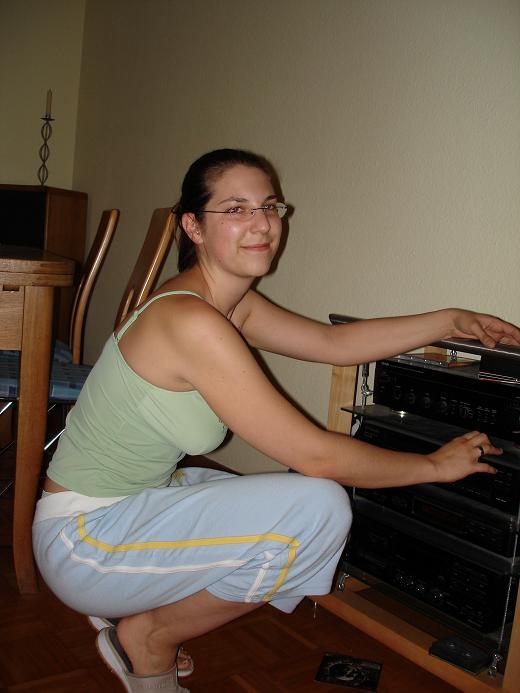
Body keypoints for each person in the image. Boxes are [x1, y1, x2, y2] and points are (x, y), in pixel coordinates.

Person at [32, 148, 520, 693]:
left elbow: (333, 344)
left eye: (268, 206)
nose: (262, 224)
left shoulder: (222, 304)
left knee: (271, 498)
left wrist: (451, 320)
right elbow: (315, 456)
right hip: (85, 543)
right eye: (236, 209)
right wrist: (433, 466)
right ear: (193, 226)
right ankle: (149, 636)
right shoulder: (189, 321)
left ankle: (142, 616)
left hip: (129, 505)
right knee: (316, 507)